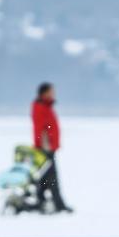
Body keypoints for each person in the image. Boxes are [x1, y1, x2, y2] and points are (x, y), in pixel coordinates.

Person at [31, 82, 72, 213]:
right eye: (51, 91)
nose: (54, 94)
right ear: (44, 93)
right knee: (52, 178)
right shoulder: (41, 107)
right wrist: (45, 145)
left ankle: (41, 202)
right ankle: (59, 205)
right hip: (45, 149)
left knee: (44, 178)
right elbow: (41, 128)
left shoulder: (46, 106)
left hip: (48, 148)